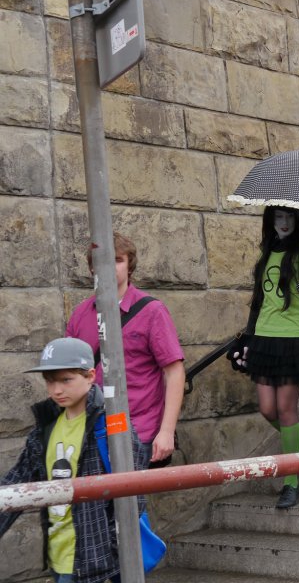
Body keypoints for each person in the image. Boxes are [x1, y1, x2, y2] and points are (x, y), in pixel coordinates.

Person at [1, 337, 147, 583]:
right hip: (59, 557)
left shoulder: (110, 422)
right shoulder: (45, 428)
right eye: (49, 381)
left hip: (100, 563)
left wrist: (108, 548)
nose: (56, 390)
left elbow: (136, 489)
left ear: (90, 376)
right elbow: (17, 483)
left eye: (66, 380)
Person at [66, 232, 184, 470]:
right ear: (91, 268)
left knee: (132, 504)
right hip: (93, 431)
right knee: (97, 505)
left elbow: (175, 372)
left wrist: (167, 431)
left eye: (117, 260)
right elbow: (70, 373)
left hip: (139, 430)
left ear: (129, 266)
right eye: (101, 261)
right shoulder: (80, 314)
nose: (109, 267)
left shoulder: (151, 311)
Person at [235, 207, 299, 509]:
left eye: (289, 216)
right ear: (270, 221)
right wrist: (248, 336)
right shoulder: (267, 249)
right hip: (264, 336)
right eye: (278, 217)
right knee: (266, 409)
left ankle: (291, 481)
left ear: (298, 219)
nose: (284, 222)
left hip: (295, 337)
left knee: (286, 409)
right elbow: (258, 299)